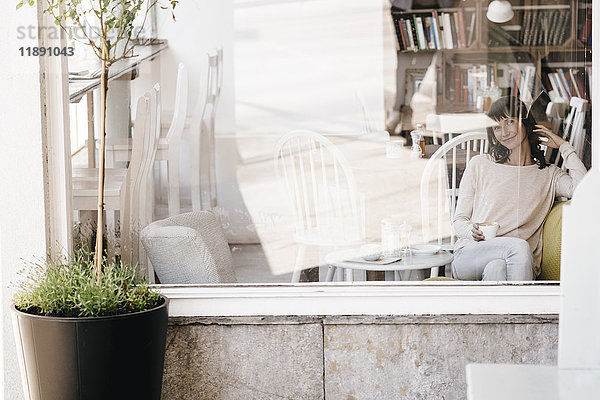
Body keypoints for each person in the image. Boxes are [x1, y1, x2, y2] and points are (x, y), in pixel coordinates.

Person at [451, 96, 587, 281]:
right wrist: (471, 231)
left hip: (513, 262)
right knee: (519, 247)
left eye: (509, 122)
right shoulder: (480, 164)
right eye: (497, 127)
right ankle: (526, 310)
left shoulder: (548, 174)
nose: (504, 132)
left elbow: (583, 192)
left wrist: (564, 147)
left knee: (497, 268)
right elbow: (458, 221)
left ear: (525, 123)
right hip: (471, 253)